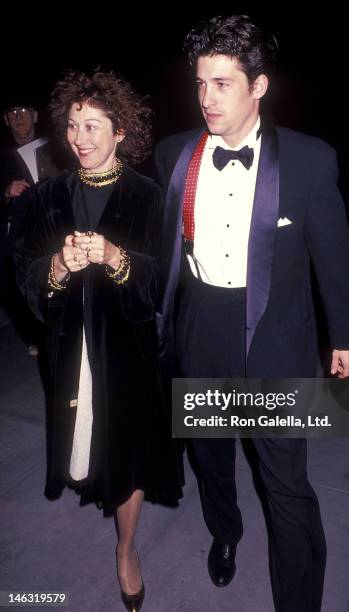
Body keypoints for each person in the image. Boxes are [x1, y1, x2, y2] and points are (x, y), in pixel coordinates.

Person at [154, 14, 349, 612]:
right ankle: (225, 532)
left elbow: (334, 255)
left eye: (222, 84)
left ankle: (299, 600)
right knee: (211, 453)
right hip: (200, 326)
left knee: (286, 482)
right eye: (200, 83)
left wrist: (345, 333)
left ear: (259, 86)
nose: (206, 99)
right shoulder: (175, 155)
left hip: (274, 335)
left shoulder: (308, 159)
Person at [15, 70, 182, 612]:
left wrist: (117, 259)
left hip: (129, 354)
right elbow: (22, 273)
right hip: (69, 350)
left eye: (93, 125)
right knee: (85, 446)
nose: (80, 138)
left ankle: (126, 547)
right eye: (72, 126)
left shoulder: (147, 196)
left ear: (120, 131)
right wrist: (59, 266)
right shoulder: (48, 196)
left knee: (127, 453)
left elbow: (163, 285)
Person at [1, 100, 62, 356]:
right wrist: (4, 190)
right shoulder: (2, 155)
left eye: (23, 111)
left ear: (35, 115)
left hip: (57, 230)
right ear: (6, 120)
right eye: (12, 113)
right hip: (20, 237)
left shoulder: (56, 146)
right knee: (17, 288)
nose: (18, 117)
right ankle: (34, 335)